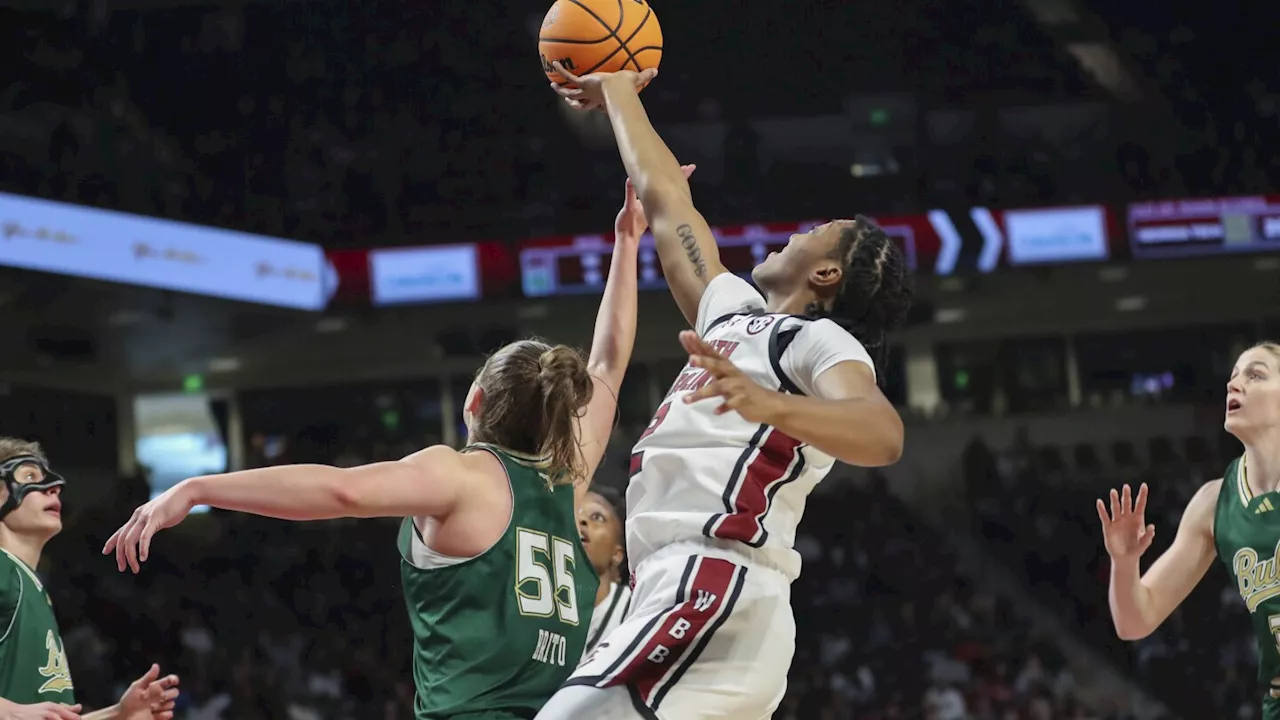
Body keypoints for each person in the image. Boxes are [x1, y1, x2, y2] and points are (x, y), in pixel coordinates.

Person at [103, 175, 680, 720]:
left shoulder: (459, 475)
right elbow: (608, 361)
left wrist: (197, 486)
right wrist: (628, 244)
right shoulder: (568, 476)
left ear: (473, 399)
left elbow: (340, 489)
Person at [539, 66, 911, 720]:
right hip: (674, 591)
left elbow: (882, 434)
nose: (801, 228)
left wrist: (770, 406)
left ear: (826, 274)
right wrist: (618, 90)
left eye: (819, 229)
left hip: (713, 582)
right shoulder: (734, 314)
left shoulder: (817, 343)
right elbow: (667, 204)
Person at [1098, 341, 1280, 719]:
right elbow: (1135, 620)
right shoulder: (1214, 504)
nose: (1234, 384)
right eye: (1232, 377)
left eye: (1255, 375)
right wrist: (1124, 562)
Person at [0, 439, 180, 720]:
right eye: (31, 477)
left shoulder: (29, 585)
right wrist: (8, 711)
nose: (54, 486)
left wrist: (119, 714)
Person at [578, 486, 630, 655]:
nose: (581, 520)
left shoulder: (635, 608)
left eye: (597, 517)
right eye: (575, 512)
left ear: (617, 554)